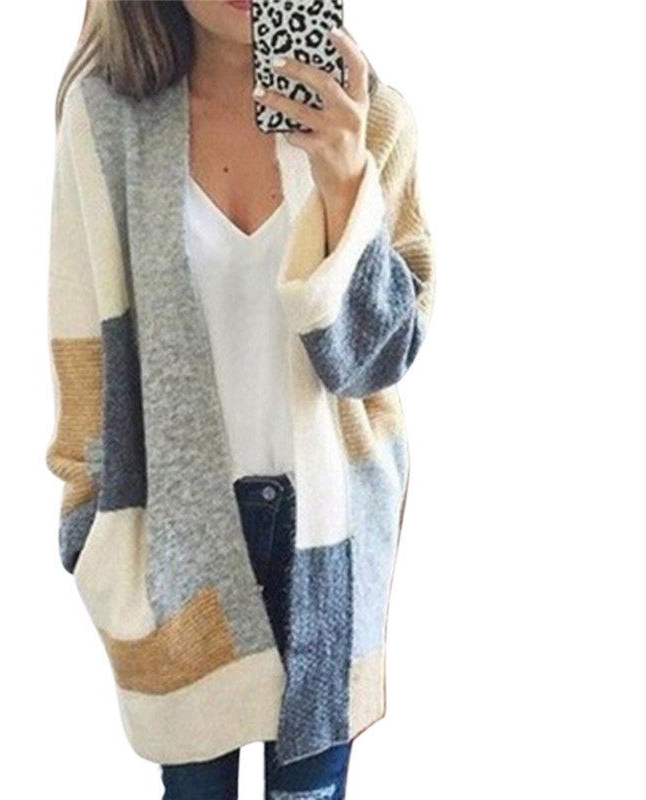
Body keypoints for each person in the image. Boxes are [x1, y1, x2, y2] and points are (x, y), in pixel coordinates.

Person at [45, 2, 435, 798]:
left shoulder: (373, 121)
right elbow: (82, 350)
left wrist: (345, 177)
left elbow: (377, 360)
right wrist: (92, 534)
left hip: (329, 535)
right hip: (176, 537)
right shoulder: (108, 122)